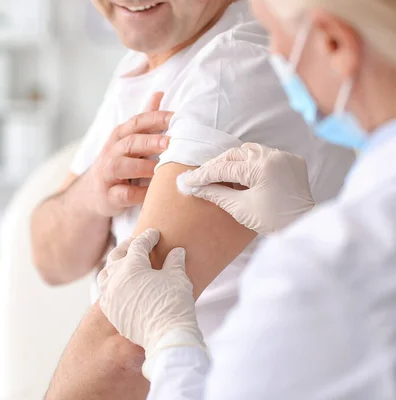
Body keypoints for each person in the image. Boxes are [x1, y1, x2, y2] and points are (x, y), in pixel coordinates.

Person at [40, 0, 354, 398]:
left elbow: (120, 344)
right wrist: (88, 193)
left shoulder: (233, 70)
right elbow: (49, 259)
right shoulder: (141, 61)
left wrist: (170, 339)